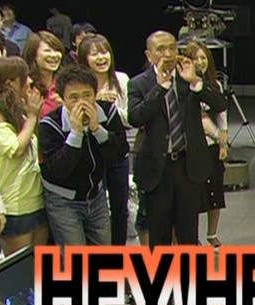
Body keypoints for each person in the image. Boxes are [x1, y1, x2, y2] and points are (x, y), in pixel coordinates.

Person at [127, 30, 227, 248]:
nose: (168, 54)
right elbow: (135, 117)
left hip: (188, 167)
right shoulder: (139, 84)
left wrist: (196, 82)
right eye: (161, 49)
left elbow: (220, 104)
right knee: (160, 237)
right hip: (158, 169)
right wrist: (160, 88)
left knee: (188, 235)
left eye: (172, 48)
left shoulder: (188, 77)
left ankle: (187, 271)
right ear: (149, 55)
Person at [39, 65, 129, 248]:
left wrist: (97, 129)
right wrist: (76, 133)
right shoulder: (50, 124)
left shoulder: (108, 112)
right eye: (74, 98)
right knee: (75, 256)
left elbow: (120, 152)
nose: (82, 103)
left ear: (95, 94)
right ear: (62, 99)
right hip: (63, 199)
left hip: (96, 195)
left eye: (87, 95)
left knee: (104, 249)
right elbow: (57, 171)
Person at [77, 33, 133, 245]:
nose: (101, 58)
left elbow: (131, 119)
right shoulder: (79, 84)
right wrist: (95, 101)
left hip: (117, 150)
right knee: (95, 208)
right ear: (84, 59)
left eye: (105, 52)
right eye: (95, 54)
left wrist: (110, 109)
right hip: (91, 153)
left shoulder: (121, 79)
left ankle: (118, 251)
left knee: (120, 208)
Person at [0, 82, 47, 257]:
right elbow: (16, 149)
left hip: (37, 204)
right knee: (20, 270)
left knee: (39, 267)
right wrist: (32, 117)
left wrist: (31, 117)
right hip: (14, 211)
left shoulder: (22, 125)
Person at [184, 41, 228, 248]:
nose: (200, 62)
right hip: (192, 147)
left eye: (203, 58)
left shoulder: (214, 86)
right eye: (195, 58)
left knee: (214, 193)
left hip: (212, 146)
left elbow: (222, 114)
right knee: (192, 197)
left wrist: (223, 144)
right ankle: (189, 237)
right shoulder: (184, 87)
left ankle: (212, 234)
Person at [22, 31, 65, 118]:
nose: (54, 55)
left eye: (57, 50)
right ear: (34, 55)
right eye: (47, 51)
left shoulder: (65, 83)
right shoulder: (26, 85)